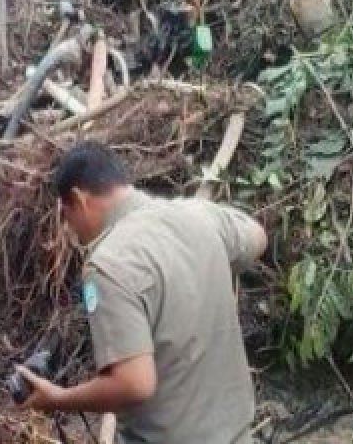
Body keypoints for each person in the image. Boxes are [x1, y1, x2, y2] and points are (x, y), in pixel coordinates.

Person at [18, 141, 267, 444]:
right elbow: (257, 237)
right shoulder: (197, 215)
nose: (72, 230)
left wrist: (59, 398)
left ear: (78, 200)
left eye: (67, 218)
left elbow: (135, 384)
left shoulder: (108, 264)